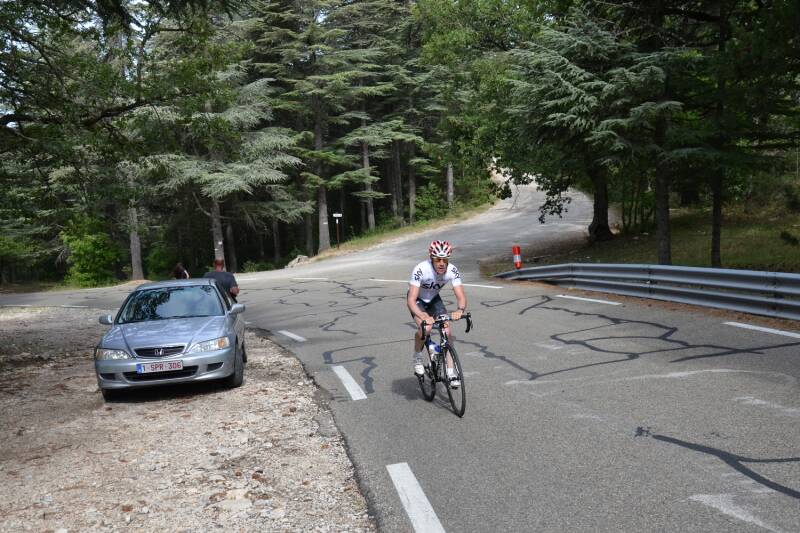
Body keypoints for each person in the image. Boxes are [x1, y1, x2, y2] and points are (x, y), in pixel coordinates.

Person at [407, 240, 467, 387]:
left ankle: (451, 372)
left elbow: (460, 296)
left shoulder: (452, 270)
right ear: (431, 258)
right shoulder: (421, 269)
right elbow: (411, 300)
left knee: (447, 329)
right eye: (437, 259)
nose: (441, 263)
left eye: (445, 260)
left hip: (434, 299)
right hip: (418, 300)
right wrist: (423, 316)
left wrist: (460, 310)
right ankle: (417, 357)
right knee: (425, 328)